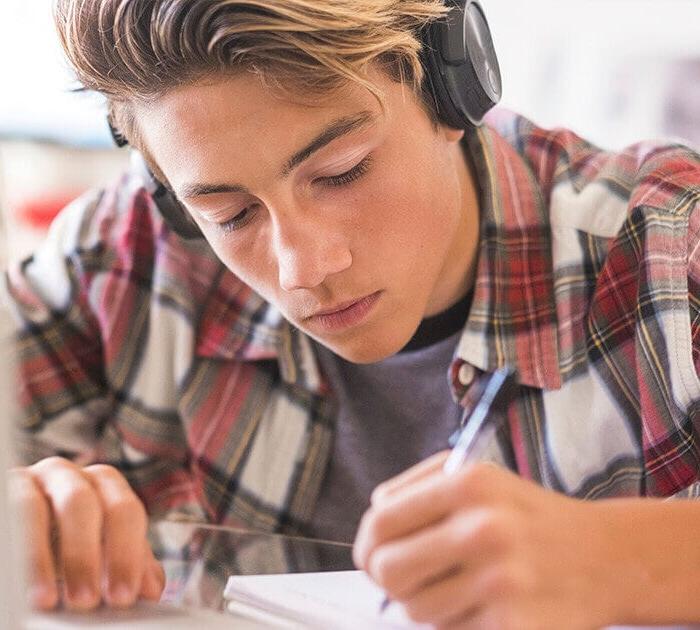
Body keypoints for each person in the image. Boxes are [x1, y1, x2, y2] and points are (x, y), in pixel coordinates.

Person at [4, 0, 700, 626]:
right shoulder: (119, 256)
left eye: (342, 171)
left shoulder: (670, 244)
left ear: (452, 89)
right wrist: (23, 509)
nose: (303, 266)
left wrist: (613, 558)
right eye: (231, 214)